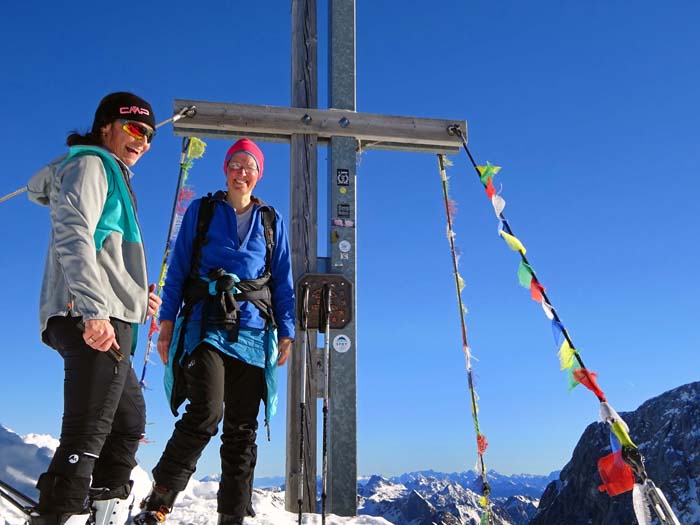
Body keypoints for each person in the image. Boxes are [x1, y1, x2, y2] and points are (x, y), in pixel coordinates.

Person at [133, 138, 295, 525]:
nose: (242, 172)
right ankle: (159, 500)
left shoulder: (271, 221)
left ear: (259, 175)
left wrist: (287, 332)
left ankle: (232, 517)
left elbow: (282, 281)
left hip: (255, 332)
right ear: (225, 169)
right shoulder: (202, 211)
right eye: (236, 164)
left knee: (242, 429)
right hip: (206, 325)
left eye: (250, 166)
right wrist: (166, 325)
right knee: (205, 413)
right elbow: (177, 272)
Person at [26, 92, 162, 525]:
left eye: (149, 135)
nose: (142, 141)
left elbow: (105, 253)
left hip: (107, 314)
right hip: (88, 314)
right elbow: (73, 234)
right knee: (90, 429)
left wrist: (140, 298)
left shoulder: (112, 174)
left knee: (128, 421)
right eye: (135, 129)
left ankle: (103, 511)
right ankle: (60, 512)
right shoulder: (91, 166)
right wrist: (94, 310)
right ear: (107, 126)